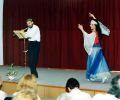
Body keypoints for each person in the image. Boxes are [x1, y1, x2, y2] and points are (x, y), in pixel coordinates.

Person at [78, 13, 111, 83]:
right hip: (98, 49)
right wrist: (93, 17)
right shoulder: (98, 32)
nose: (91, 26)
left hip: (94, 50)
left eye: (92, 25)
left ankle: (94, 76)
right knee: (98, 63)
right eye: (90, 24)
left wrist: (82, 29)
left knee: (94, 62)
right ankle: (100, 76)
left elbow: (87, 36)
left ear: (95, 26)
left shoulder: (95, 33)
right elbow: (98, 24)